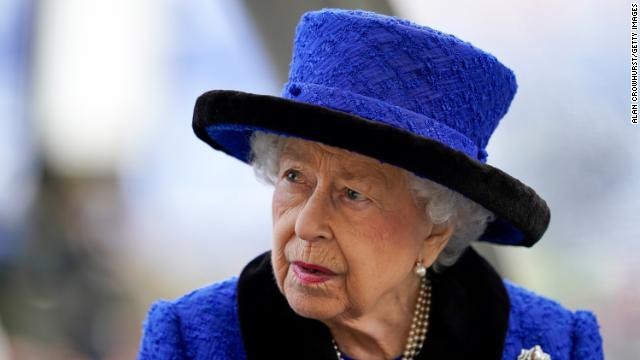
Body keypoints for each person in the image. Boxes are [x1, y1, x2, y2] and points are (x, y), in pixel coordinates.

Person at [137, 8, 603, 360]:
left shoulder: (556, 342)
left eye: (354, 194)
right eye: (295, 177)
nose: (307, 225)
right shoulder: (192, 338)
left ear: (435, 233)